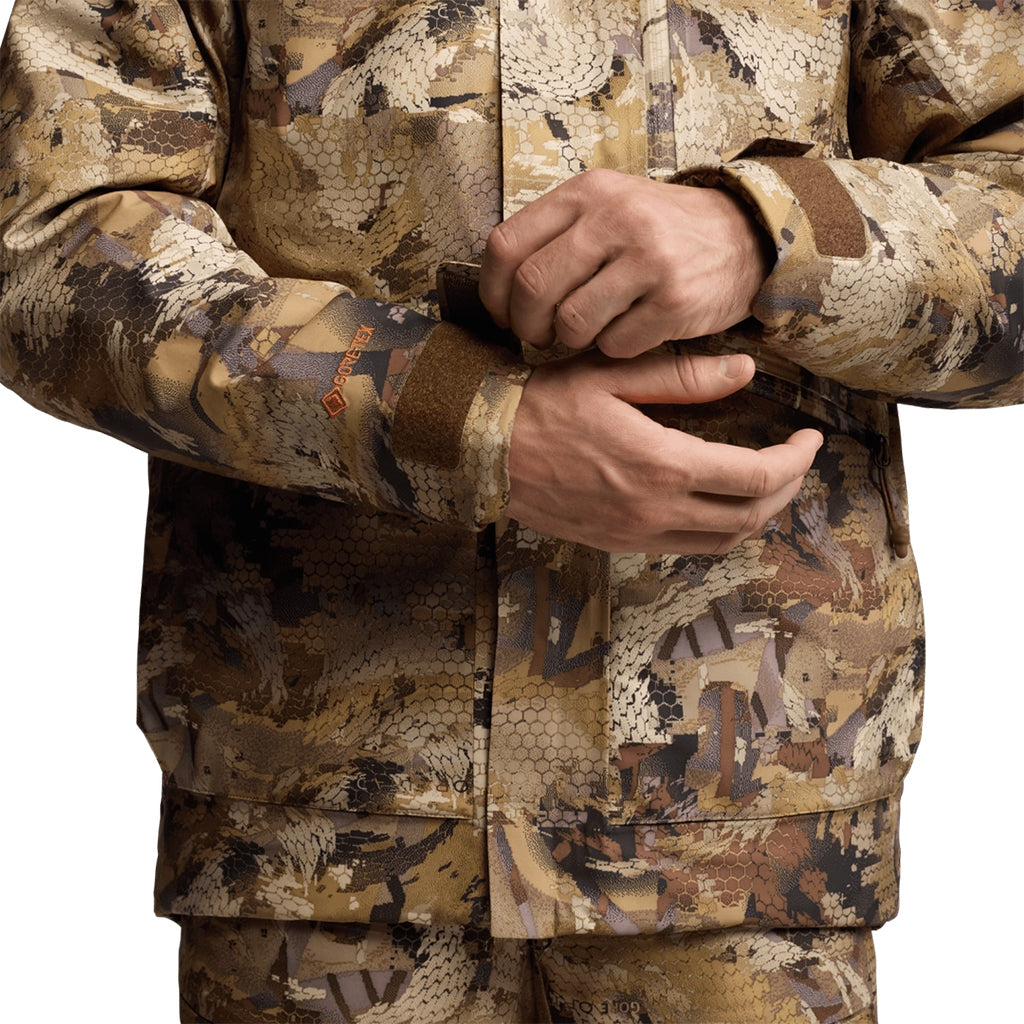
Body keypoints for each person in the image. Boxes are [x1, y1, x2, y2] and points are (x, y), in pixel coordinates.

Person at [0, 1, 1020, 1022]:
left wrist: (766, 229)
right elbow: (51, 246)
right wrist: (456, 414)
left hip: (744, 825)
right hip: (326, 834)